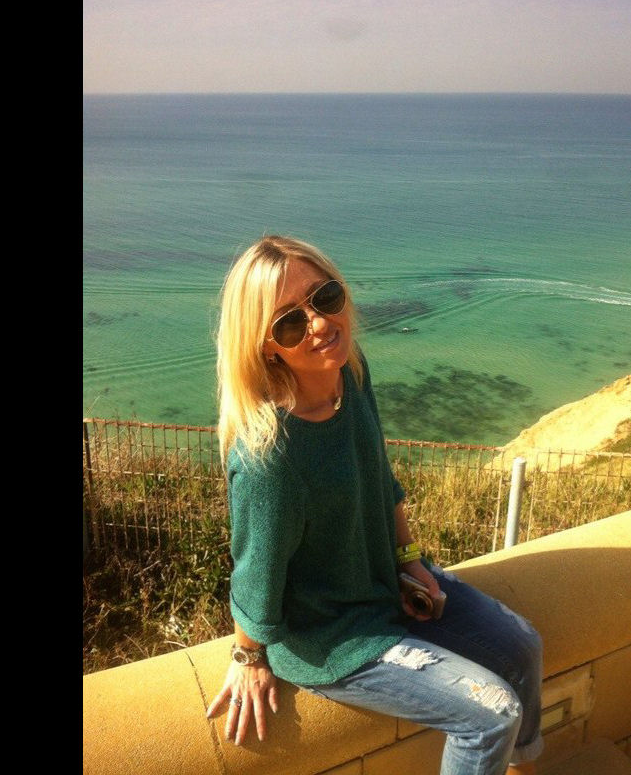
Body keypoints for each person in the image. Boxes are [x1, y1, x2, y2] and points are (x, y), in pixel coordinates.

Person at [205, 235, 544, 775]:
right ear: (267, 347)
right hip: (332, 636)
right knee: (490, 715)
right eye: (290, 323)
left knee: (523, 646)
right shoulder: (269, 456)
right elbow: (255, 573)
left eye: (325, 297)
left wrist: (409, 560)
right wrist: (248, 657)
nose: (320, 324)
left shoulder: (350, 371)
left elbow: (380, 478)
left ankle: (521, 767)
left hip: (384, 585)